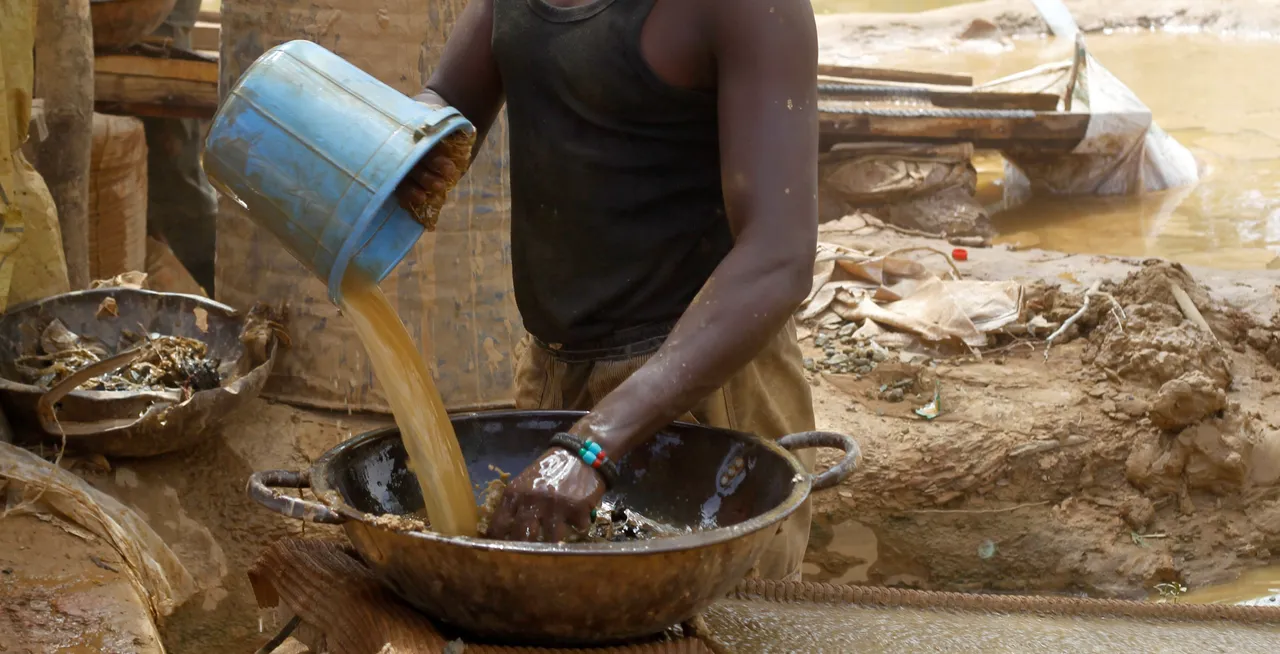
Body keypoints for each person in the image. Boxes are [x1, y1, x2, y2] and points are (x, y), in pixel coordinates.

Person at [396, 0, 819, 580]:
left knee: (713, 627)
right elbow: (446, 101)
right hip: (554, 373)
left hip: (701, 391)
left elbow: (780, 257)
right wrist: (397, 139)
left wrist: (593, 444)